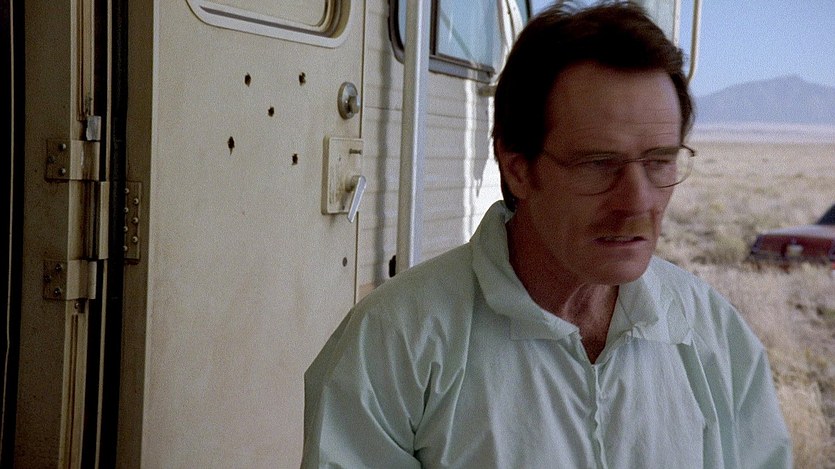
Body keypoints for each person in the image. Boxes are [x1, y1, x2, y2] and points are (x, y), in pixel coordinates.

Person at [302, 2, 792, 468]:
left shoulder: (713, 337)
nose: (638, 202)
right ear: (517, 167)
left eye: (659, 161)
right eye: (599, 164)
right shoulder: (395, 342)